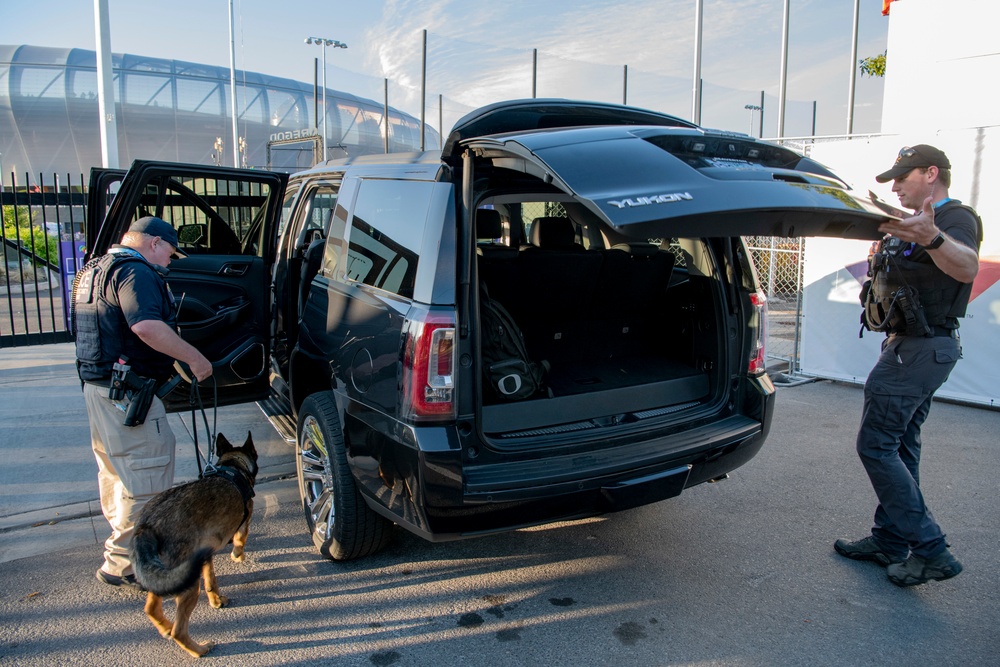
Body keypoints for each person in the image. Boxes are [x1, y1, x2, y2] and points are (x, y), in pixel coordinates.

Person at [835, 145, 982, 586]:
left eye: (902, 177)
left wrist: (930, 237)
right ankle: (890, 541)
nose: (896, 186)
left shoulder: (955, 219)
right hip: (909, 347)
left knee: (875, 445)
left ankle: (931, 550)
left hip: (919, 351)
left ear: (931, 173)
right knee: (901, 446)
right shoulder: (910, 225)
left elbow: (968, 266)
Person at [74, 216, 213, 591]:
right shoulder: (136, 273)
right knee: (146, 481)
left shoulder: (96, 268)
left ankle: (120, 556)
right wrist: (194, 358)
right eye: (170, 251)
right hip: (128, 397)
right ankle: (130, 563)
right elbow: (146, 327)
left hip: (101, 390)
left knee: (117, 477)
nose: (171, 260)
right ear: (153, 243)